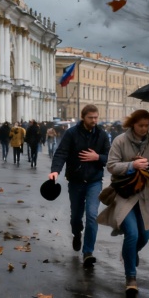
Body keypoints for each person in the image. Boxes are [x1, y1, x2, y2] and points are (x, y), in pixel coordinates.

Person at [98, 109, 149, 298]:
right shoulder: (120, 141)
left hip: (146, 195)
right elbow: (111, 165)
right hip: (125, 194)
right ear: (133, 124)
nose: (144, 129)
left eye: (147, 125)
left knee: (144, 235)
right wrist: (132, 166)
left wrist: (147, 166)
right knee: (132, 234)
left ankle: (129, 255)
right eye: (141, 125)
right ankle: (131, 278)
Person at [49, 105, 111, 265]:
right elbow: (61, 152)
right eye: (91, 117)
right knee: (76, 216)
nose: (94, 120)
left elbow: (110, 157)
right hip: (76, 181)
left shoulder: (102, 135)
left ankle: (88, 251)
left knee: (92, 215)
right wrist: (55, 171)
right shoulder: (72, 133)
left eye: (96, 117)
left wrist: (98, 157)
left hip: (94, 181)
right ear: (83, 117)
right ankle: (77, 233)